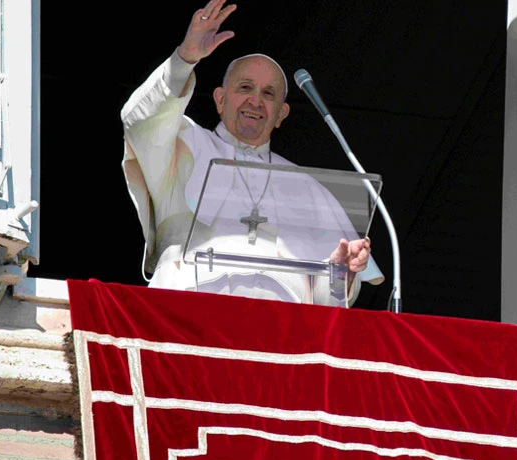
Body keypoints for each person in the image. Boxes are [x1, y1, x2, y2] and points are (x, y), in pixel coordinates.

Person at [120, 0, 383, 306]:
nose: (255, 101)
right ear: (220, 99)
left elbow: (327, 301)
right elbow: (140, 121)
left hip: (282, 328)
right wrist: (185, 58)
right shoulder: (183, 143)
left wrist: (341, 273)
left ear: (281, 114)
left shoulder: (309, 188)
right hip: (191, 307)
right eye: (245, 88)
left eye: (268, 94)